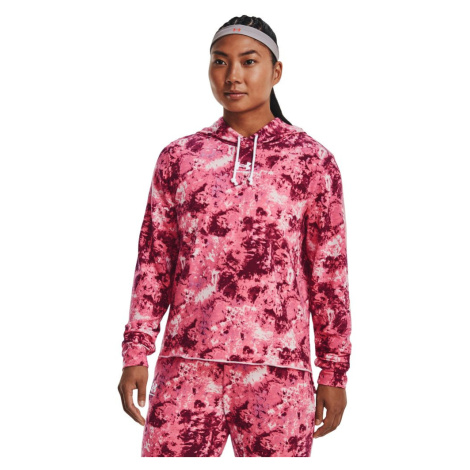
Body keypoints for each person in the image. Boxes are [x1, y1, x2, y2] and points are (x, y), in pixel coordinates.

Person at [117, 15, 352, 457]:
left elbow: (329, 272)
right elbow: (154, 261)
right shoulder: (180, 157)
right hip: (186, 367)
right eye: (220, 61)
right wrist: (136, 351)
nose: (233, 76)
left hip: (279, 373)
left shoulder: (312, 162)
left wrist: (334, 372)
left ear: (276, 71)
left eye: (249, 61)